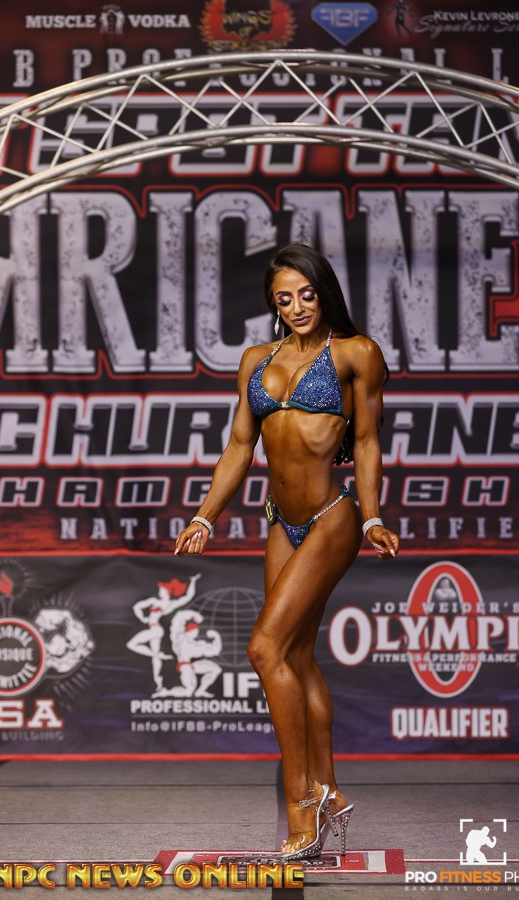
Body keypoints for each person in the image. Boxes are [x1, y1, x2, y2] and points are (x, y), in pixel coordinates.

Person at [175, 243, 399, 860]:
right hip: (282, 521)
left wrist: (374, 515)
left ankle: (303, 801)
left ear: (323, 293)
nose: (298, 306)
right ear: (273, 305)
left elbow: (369, 441)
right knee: (296, 657)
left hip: (332, 518)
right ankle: (331, 790)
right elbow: (239, 448)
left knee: (264, 648)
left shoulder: (355, 353)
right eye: (285, 298)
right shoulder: (257, 360)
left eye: (307, 294)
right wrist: (204, 515)